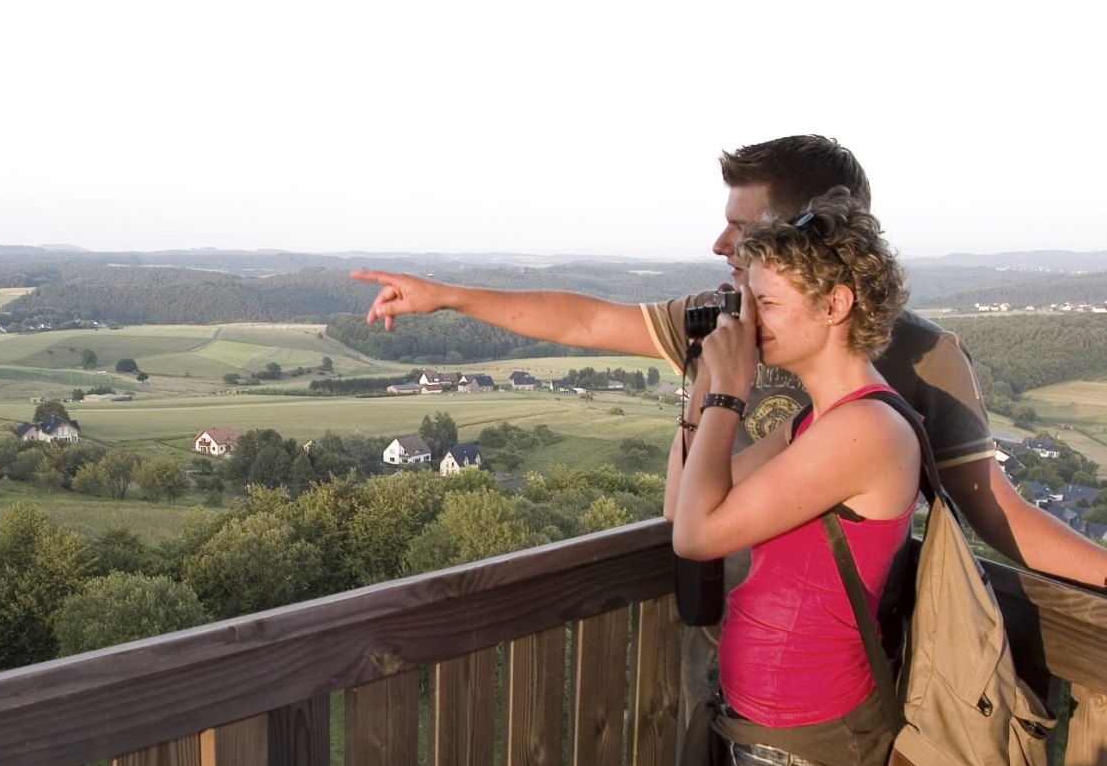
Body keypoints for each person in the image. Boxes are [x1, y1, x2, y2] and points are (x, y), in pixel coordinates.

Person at [353, 134, 1107, 589]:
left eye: (740, 229)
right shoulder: (718, 317)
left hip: (824, 662)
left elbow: (996, 512)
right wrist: (447, 296)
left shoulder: (923, 355)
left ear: (807, 238)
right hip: (716, 629)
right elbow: (584, 318)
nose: (719, 247)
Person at [663, 190, 916, 766]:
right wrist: (702, 392)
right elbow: (685, 506)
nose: (752, 321)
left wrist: (731, 393)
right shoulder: (816, 424)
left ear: (835, 304)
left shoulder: (863, 429)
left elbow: (695, 536)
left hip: (800, 765)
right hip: (772, 747)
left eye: (765, 302)